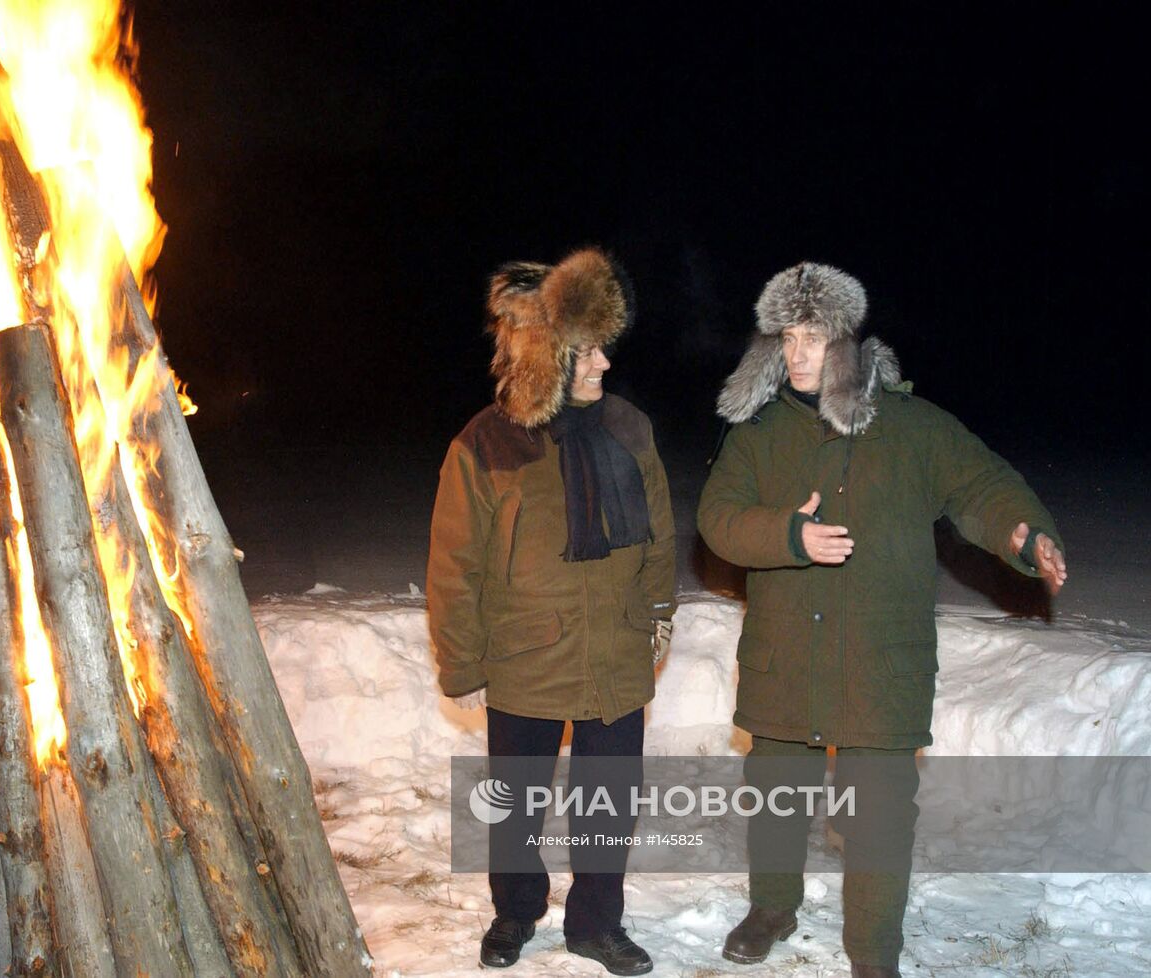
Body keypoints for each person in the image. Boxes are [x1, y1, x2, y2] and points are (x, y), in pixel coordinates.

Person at [697, 262, 1068, 978]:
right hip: (786, 655)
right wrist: (786, 536)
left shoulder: (915, 428)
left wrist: (1025, 535)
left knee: (879, 815)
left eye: (814, 337)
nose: (799, 354)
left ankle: (873, 951)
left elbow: (983, 486)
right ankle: (772, 906)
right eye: (786, 338)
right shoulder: (757, 433)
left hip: (879, 660)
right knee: (775, 795)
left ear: (847, 342)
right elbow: (717, 520)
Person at [427, 247, 677, 975]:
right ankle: (515, 910)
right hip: (524, 654)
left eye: (602, 349)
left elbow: (660, 534)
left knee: (607, 804)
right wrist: (461, 662)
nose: (603, 364)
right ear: (549, 356)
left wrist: (658, 615)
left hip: (614, 655)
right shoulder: (485, 441)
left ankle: (597, 924)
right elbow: (454, 565)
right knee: (514, 804)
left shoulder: (630, 427)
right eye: (588, 351)